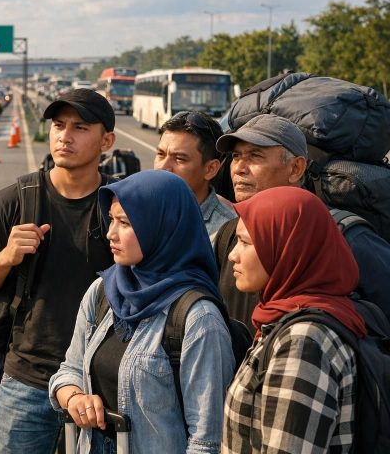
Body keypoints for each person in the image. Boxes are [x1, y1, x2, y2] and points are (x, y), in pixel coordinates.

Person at [0, 88, 116, 452]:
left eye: (80, 127)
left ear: (106, 140)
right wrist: (6, 257)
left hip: (100, 385)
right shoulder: (16, 199)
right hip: (27, 379)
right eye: (59, 125)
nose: (65, 136)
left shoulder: (120, 205)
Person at [49, 170, 234, 453]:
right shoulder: (103, 291)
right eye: (111, 219)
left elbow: (206, 441)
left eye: (124, 222)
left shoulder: (198, 318)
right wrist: (74, 398)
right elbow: (69, 370)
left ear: (162, 226)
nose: (110, 233)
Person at [213, 114, 390, 330]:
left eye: (255, 156)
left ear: (296, 168)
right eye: (236, 156)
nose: (238, 168)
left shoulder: (342, 236)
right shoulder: (230, 234)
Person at [223, 186, 366, 453]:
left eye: (245, 242)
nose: (233, 254)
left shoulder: (304, 342)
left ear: (287, 248)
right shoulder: (285, 320)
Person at [153, 110, 235, 239]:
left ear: (210, 169)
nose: (163, 167)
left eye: (179, 158)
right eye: (160, 154)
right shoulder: (138, 211)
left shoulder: (229, 231)